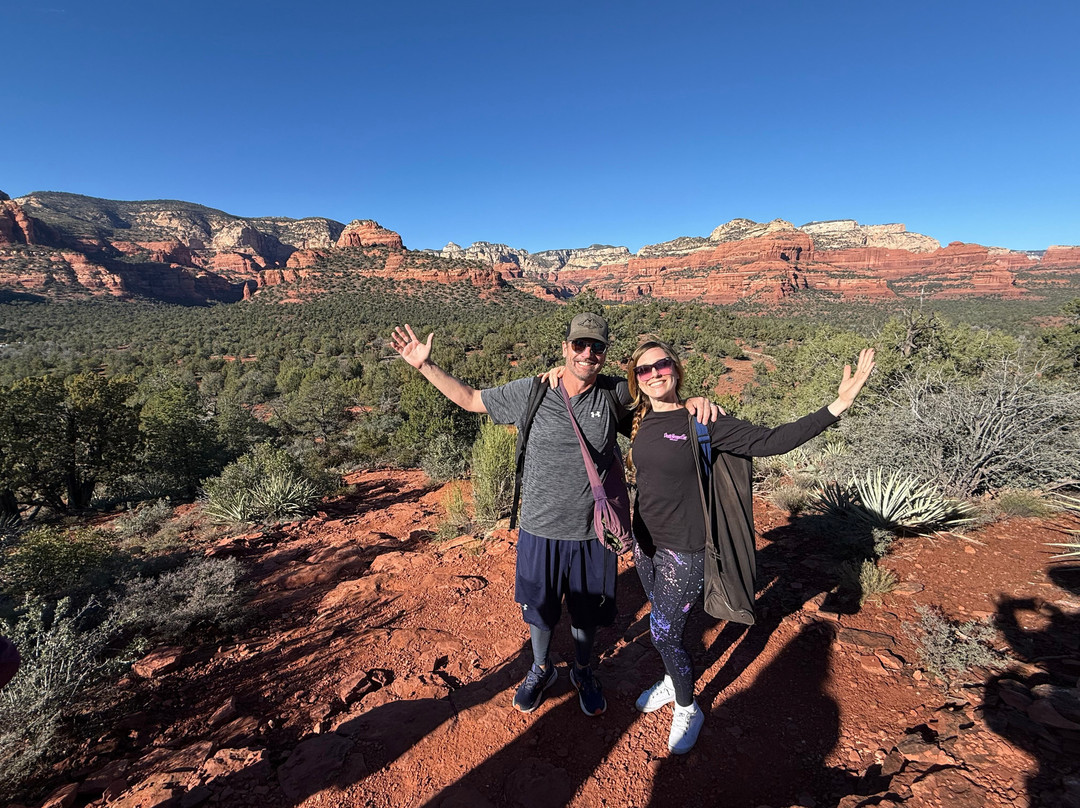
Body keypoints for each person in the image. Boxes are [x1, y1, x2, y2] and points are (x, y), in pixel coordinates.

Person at [391, 314, 719, 716]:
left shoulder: (613, 395)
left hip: (592, 532)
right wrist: (425, 364)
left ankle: (583, 670)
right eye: (579, 345)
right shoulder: (532, 390)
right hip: (539, 528)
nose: (587, 353)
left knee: (587, 614)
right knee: (540, 610)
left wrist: (691, 402)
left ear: (604, 354)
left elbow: (657, 398)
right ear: (565, 348)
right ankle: (541, 669)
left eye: (596, 347)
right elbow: (472, 399)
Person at [625, 338, 875, 754]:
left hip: (685, 551)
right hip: (645, 544)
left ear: (676, 369)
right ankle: (673, 679)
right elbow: (589, 387)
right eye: (644, 370)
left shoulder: (703, 421)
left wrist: (837, 406)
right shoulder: (638, 418)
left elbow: (770, 441)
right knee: (666, 626)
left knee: (664, 632)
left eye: (662, 365)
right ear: (636, 379)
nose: (654, 374)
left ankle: (688, 706)